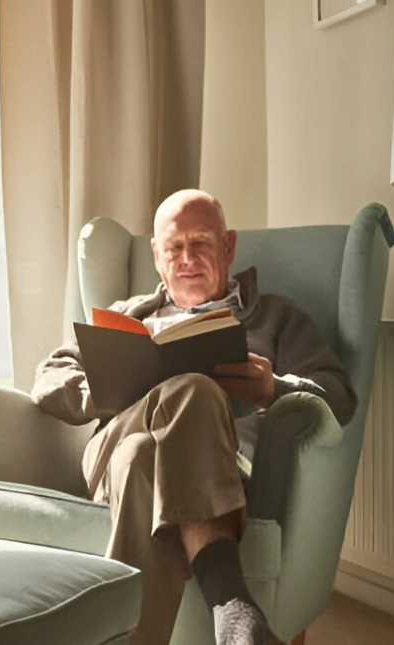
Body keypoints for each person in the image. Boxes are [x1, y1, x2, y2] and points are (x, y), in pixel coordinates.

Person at [30, 189, 358, 645]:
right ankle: (231, 605)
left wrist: (274, 388)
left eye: (201, 243)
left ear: (228, 246)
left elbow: (339, 395)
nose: (187, 258)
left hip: (217, 471)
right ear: (156, 256)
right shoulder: (129, 315)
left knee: (141, 457)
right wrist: (99, 390)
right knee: (189, 392)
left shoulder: (278, 319)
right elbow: (49, 374)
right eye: (174, 247)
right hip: (107, 457)